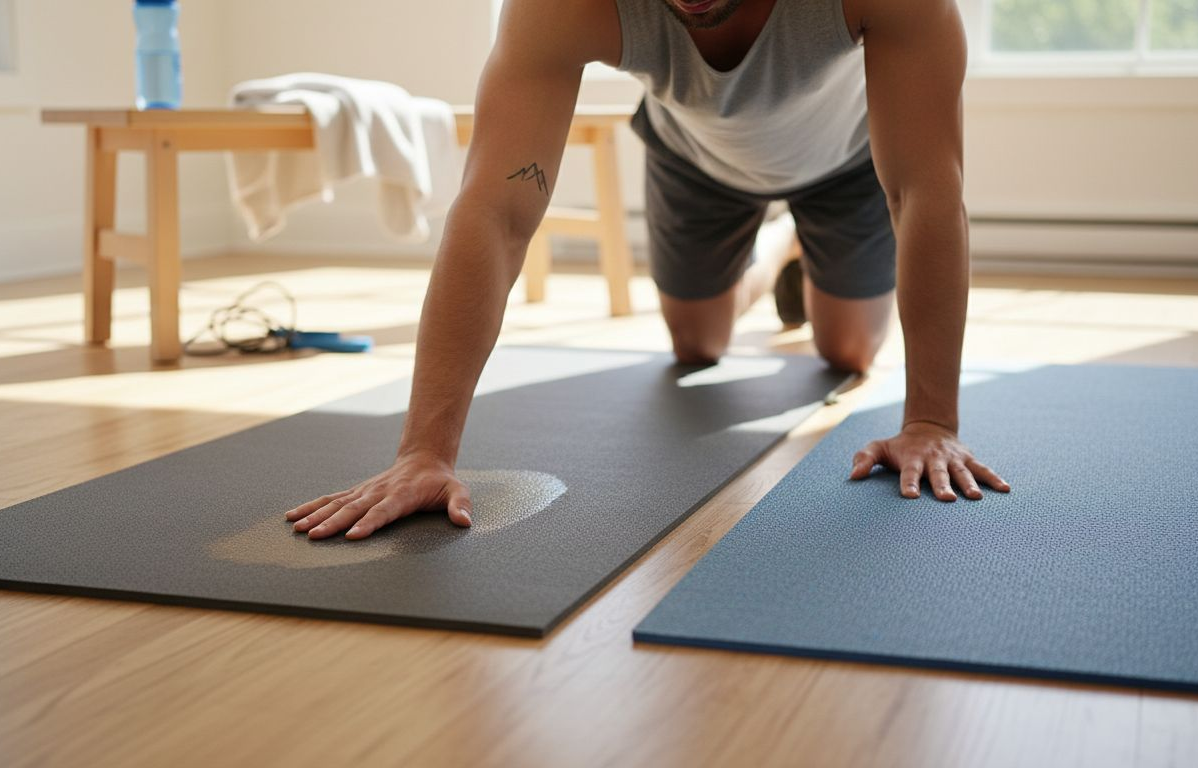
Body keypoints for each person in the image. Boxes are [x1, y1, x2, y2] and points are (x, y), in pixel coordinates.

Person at [287, 0, 1010, 541]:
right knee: (697, 346)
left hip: (847, 164)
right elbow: (495, 213)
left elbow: (924, 194)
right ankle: (777, 245)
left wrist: (930, 420)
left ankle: (795, 237)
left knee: (846, 353)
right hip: (693, 160)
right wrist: (424, 451)